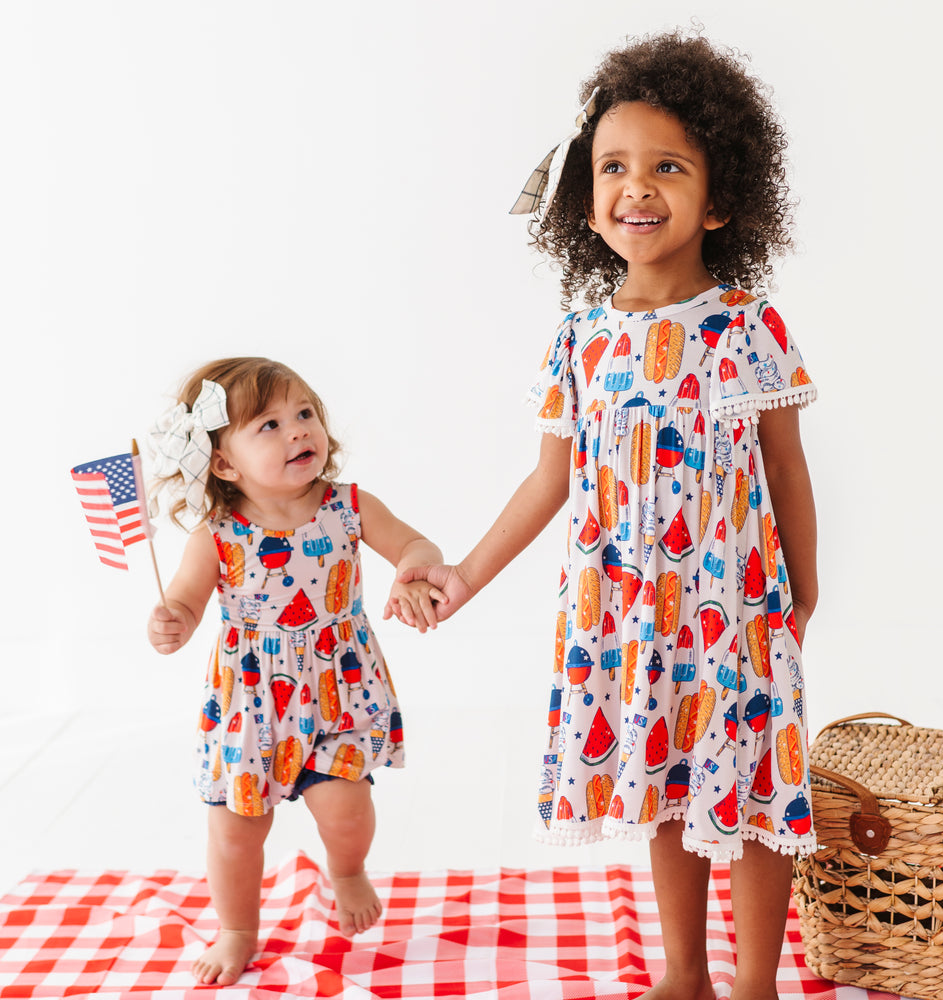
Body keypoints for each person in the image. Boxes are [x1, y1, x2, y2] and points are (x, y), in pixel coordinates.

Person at [394, 31, 819, 1000]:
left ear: (717, 199)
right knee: (669, 791)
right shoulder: (580, 339)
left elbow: (785, 467)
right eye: (614, 166)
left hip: (739, 612)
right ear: (586, 204)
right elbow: (549, 480)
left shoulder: (748, 324)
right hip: (629, 611)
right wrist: (460, 574)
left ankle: (754, 979)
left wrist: (803, 581)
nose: (637, 186)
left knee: (753, 794)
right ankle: (684, 972)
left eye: (667, 165)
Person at [147, 357, 442, 987]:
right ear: (223, 464)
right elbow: (187, 602)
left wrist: (413, 568)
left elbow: (417, 544)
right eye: (270, 425)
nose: (298, 431)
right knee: (235, 830)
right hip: (250, 703)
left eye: (305, 414)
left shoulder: (349, 508)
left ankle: (347, 868)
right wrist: (171, 619)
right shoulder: (216, 535)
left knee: (346, 808)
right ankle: (236, 929)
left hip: (339, 689)